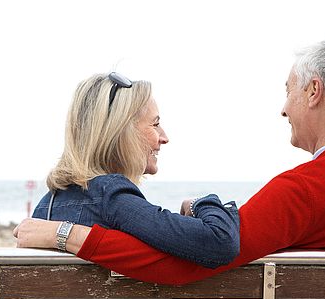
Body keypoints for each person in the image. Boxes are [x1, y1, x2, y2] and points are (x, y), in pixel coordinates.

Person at [14, 38, 325, 285]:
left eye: (289, 91)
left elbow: (185, 263)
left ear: (314, 92)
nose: (284, 108)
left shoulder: (303, 189)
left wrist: (66, 235)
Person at [20, 72, 240, 269]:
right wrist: (198, 203)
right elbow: (220, 241)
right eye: (155, 125)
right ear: (123, 134)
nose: (164, 137)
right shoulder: (112, 196)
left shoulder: (47, 205)